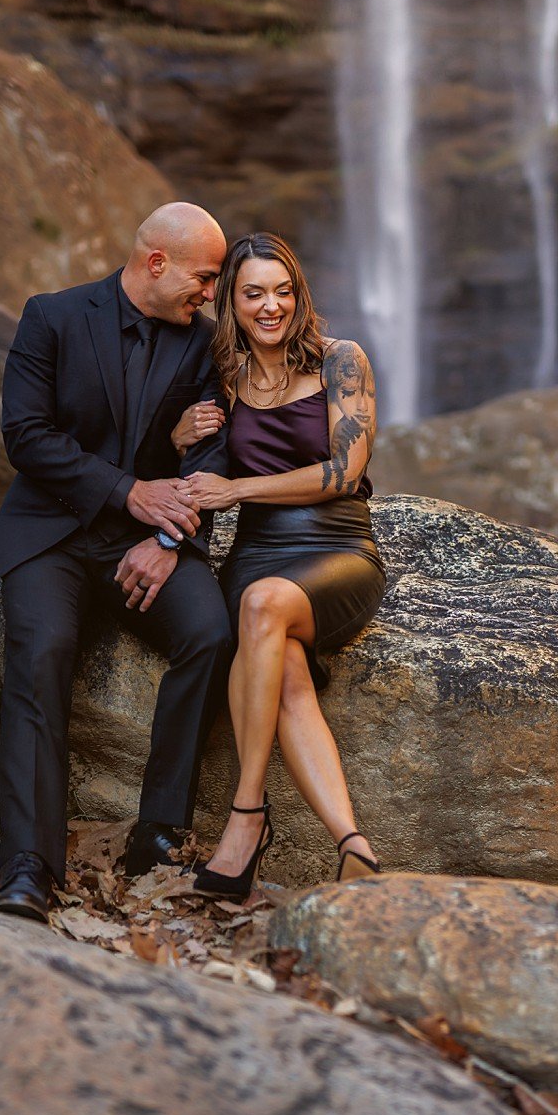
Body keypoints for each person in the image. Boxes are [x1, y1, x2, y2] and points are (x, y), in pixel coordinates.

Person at [0, 201, 234, 922]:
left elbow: (215, 449)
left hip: (147, 541)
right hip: (54, 534)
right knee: (42, 653)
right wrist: (131, 494)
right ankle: (28, 866)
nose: (210, 295)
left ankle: (158, 833)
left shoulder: (206, 342)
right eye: (205, 277)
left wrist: (167, 541)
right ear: (156, 262)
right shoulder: (52, 317)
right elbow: (26, 435)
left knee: (211, 633)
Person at [172, 230, 386, 897]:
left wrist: (238, 488)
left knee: (264, 606)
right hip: (257, 551)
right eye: (253, 293)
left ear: (300, 294)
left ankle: (247, 813)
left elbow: (344, 470)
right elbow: (184, 466)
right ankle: (354, 845)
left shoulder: (340, 361)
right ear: (231, 303)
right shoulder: (224, 378)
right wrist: (177, 437)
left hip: (339, 548)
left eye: (282, 290)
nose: (271, 306)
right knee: (282, 658)